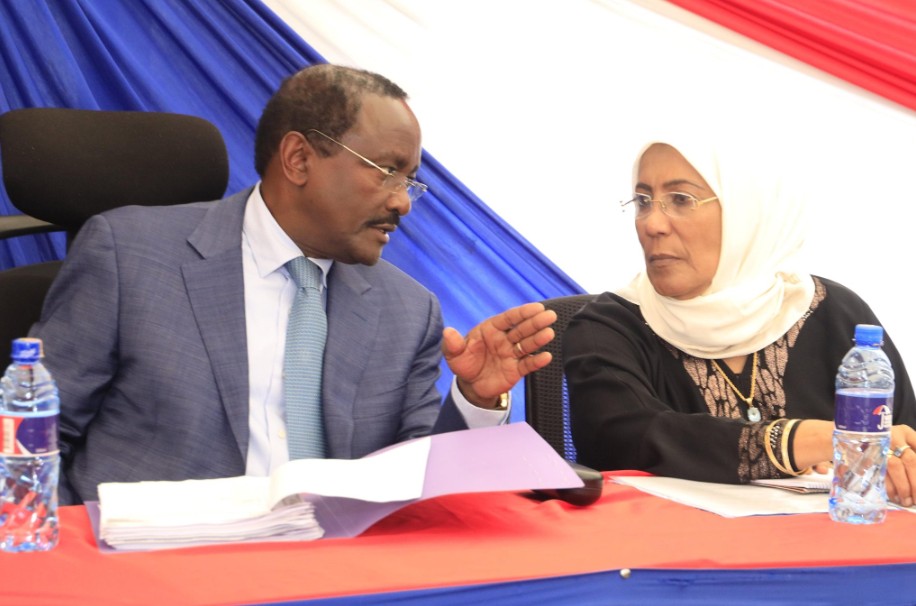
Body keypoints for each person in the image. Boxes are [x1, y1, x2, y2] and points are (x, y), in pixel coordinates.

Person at [33, 64, 556, 505]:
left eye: (410, 181)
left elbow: (416, 486)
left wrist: (472, 401)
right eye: (386, 172)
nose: (402, 202)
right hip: (152, 570)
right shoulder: (129, 257)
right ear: (299, 159)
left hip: (332, 578)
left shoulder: (408, 310)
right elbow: (27, 438)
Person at [564, 135, 916, 507]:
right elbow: (627, 439)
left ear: (748, 212)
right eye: (643, 201)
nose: (652, 224)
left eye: (680, 200)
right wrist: (815, 439)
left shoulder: (835, 314)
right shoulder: (608, 327)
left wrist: (901, 467)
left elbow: (902, 437)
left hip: (837, 551)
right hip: (674, 556)